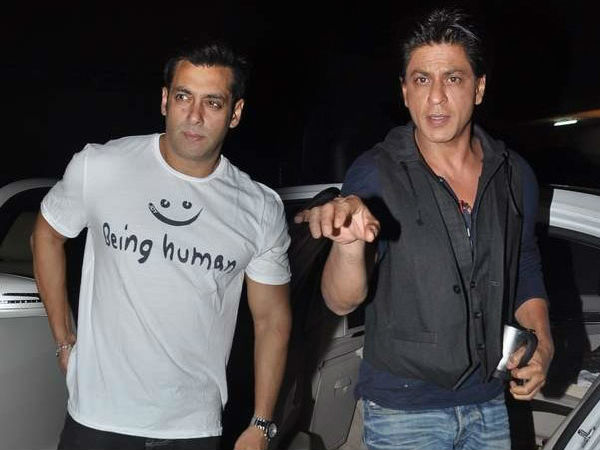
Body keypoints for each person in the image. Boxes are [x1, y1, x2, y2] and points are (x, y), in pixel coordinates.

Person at [295, 8, 553, 450]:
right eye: (421, 80)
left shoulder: (515, 175)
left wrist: (543, 343)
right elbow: (342, 300)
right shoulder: (374, 173)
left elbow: (523, 265)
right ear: (404, 90)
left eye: (452, 78)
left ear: (479, 88)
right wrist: (348, 247)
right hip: (403, 412)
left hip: (490, 403)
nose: (435, 97)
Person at [31, 42, 291, 450]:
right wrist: (65, 340)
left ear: (235, 113)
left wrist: (261, 423)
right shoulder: (101, 166)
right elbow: (46, 235)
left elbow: (272, 319)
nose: (194, 115)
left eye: (213, 102)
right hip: (96, 417)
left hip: (192, 428)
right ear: (165, 100)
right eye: (184, 97)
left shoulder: (258, 207)